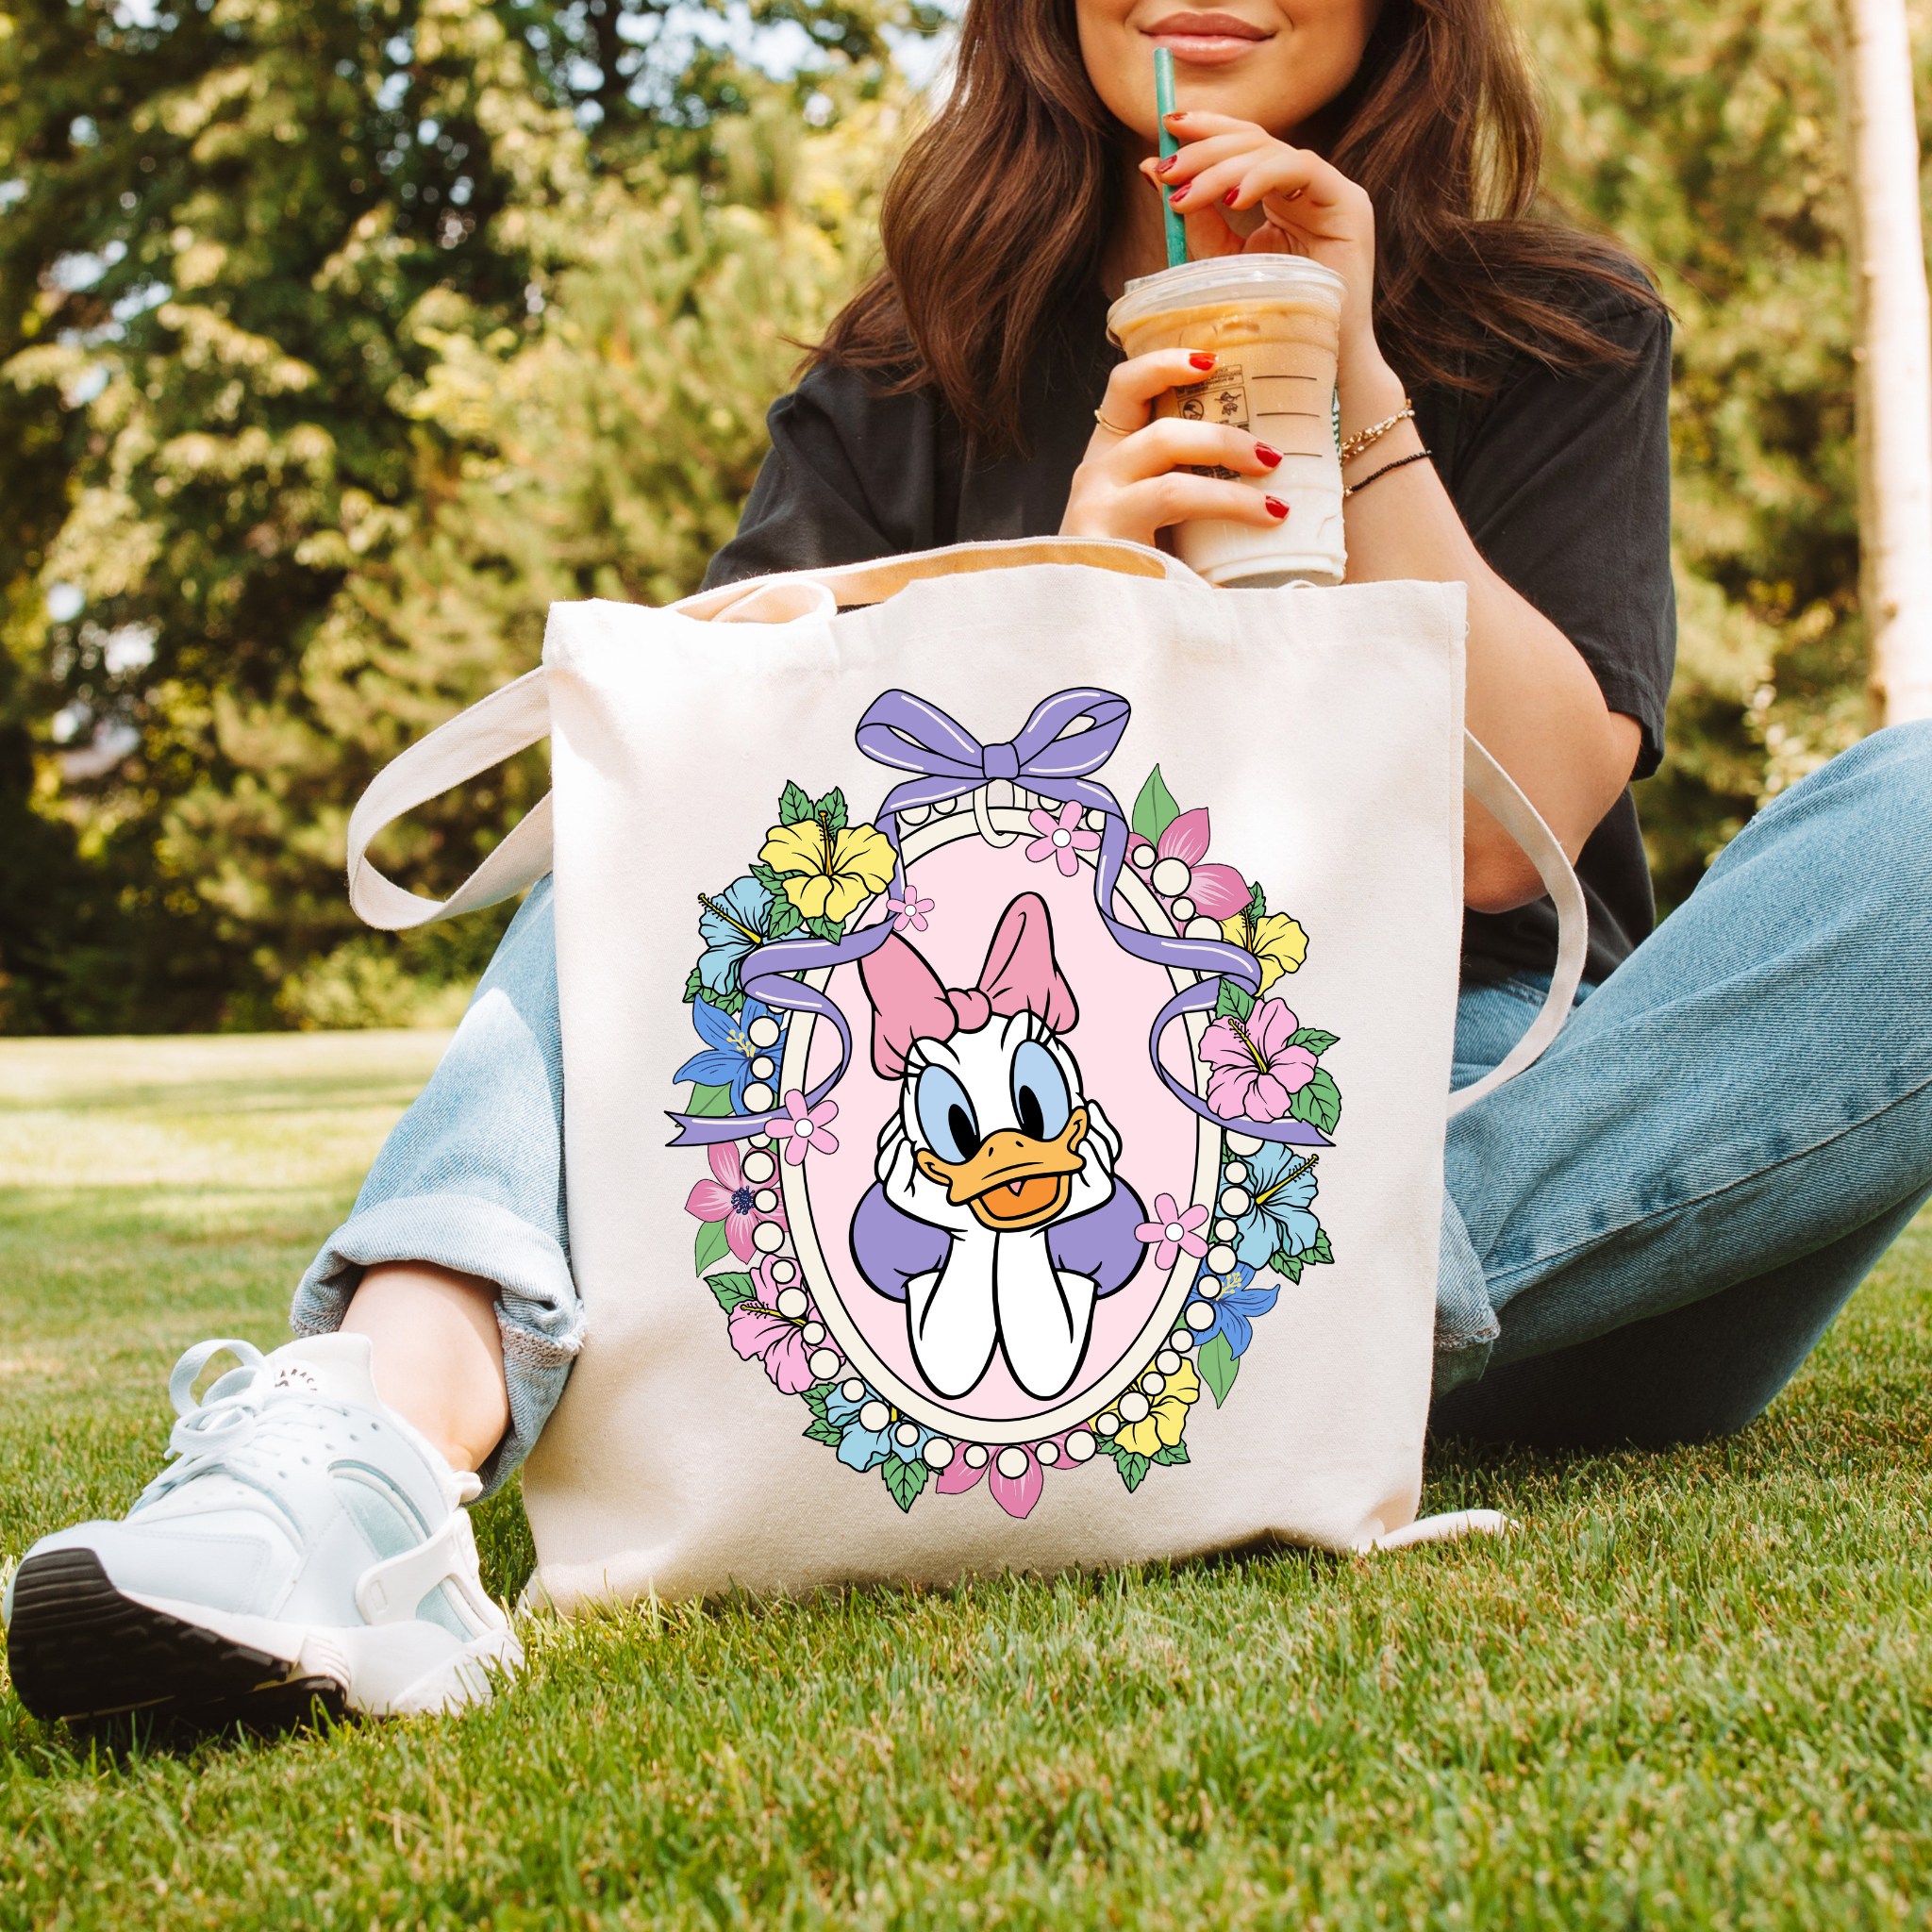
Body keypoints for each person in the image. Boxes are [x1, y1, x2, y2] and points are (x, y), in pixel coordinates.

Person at [8, 0, 1929, 1726]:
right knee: (684, 774)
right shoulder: (909, 371)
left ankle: (1242, 1319)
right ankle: (362, 1442)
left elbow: (1496, 842)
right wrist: (1060, 593)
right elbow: (715, 837)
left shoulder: (1557, 329)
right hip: (978, 1161)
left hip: (1504, 1152)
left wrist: (1356, 390)